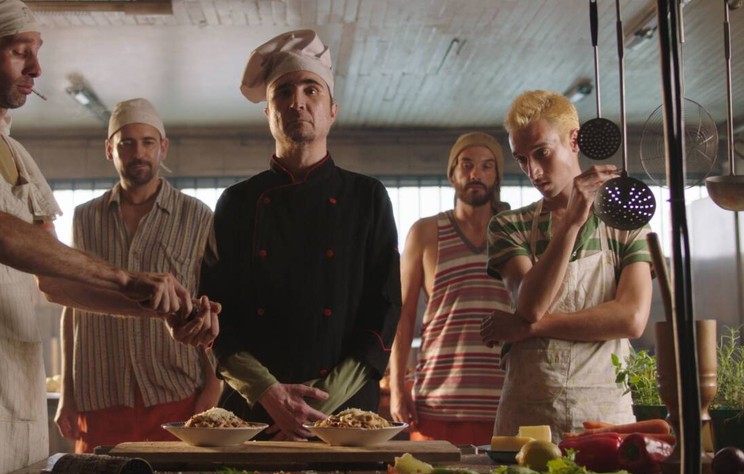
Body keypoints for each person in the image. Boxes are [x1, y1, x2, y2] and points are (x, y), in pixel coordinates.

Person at [0, 2, 218, 474]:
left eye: (36, 52)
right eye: (20, 52)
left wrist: (158, 308)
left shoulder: (19, 157)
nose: (37, 69)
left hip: (20, 374)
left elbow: (55, 282)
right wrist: (126, 279)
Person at [200, 30, 401, 441]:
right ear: (268, 112)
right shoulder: (236, 202)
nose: (298, 101)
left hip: (343, 416)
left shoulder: (367, 197)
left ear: (332, 111)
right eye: (283, 92)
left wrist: (316, 407)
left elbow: (382, 313)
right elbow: (215, 318)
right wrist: (268, 393)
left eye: (312, 89)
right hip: (254, 413)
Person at [481, 90, 652, 443]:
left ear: (574, 140)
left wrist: (530, 329)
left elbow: (631, 319)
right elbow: (530, 304)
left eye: (541, 153)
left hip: (606, 418)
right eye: (522, 159)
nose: (533, 171)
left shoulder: (625, 220)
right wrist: (571, 223)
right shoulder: (508, 225)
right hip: (527, 419)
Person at [55, 98, 222, 453]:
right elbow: (72, 308)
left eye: (148, 142)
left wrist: (213, 387)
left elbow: (210, 305)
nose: (138, 153)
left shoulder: (196, 216)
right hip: (100, 395)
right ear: (109, 150)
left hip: (175, 392)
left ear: (163, 147)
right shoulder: (85, 218)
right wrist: (67, 395)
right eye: (126, 143)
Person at [389, 132, 513, 446]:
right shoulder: (425, 232)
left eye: (486, 166)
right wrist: (397, 388)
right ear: (452, 173)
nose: (475, 174)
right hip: (437, 401)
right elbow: (403, 315)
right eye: (466, 164)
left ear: (497, 176)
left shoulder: (515, 232)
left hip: (507, 398)